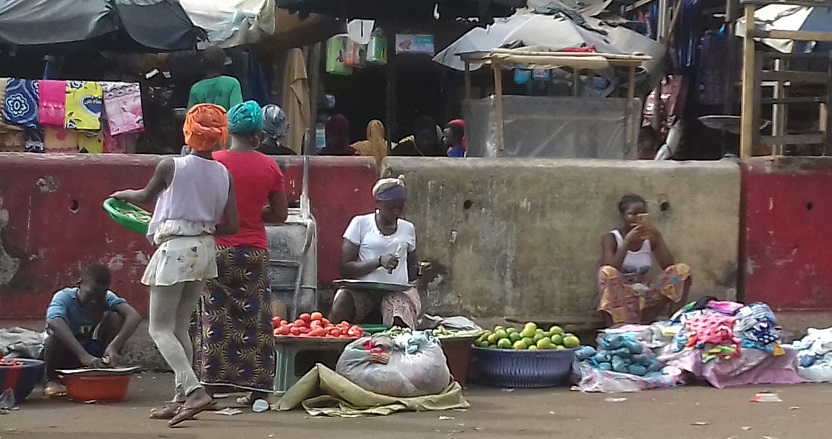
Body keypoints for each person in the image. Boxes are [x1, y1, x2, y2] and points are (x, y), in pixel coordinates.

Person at [111, 104, 239, 427]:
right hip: (204, 250)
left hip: (175, 249)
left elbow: (144, 197)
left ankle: (194, 391)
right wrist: (202, 226)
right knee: (180, 325)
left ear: (188, 131)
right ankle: (181, 397)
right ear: (220, 136)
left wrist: (122, 195)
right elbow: (232, 225)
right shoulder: (224, 174)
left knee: (159, 328)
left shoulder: (171, 165)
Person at [193, 101, 288, 408]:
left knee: (214, 316)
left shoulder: (213, 162)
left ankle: (208, 388)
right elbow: (280, 214)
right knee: (255, 319)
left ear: (228, 133)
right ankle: (259, 391)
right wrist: (253, 214)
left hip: (216, 249)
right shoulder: (270, 167)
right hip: (253, 251)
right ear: (258, 136)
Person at [329, 176, 423, 329]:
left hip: (397, 291)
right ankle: (334, 341)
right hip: (363, 291)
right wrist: (379, 261)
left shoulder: (408, 228)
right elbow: (345, 268)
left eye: (400, 208)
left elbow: (411, 268)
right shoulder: (361, 224)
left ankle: (398, 341)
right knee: (342, 301)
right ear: (378, 203)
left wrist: (419, 272)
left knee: (399, 311)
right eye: (391, 208)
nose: (396, 213)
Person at [42, 264, 142, 397]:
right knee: (55, 336)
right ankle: (50, 380)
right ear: (79, 284)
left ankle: (108, 365)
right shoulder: (64, 297)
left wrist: (114, 346)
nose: (94, 301)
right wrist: (82, 354)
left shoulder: (107, 297)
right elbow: (54, 321)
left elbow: (134, 316)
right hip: (65, 352)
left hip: (90, 349)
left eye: (100, 296)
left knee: (116, 316)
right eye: (90, 294)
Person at [597, 194, 691, 327]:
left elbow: (669, 267)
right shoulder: (612, 238)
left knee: (682, 272)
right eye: (632, 214)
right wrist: (627, 242)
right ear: (623, 216)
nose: (637, 218)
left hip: (647, 294)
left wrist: (658, 237)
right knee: (606, 272)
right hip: (622, 297)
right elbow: (609, 268)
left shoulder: (650, 238)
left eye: (642, 214)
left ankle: (674, 321)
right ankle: (616, 326)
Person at [187, 46, 244, 111]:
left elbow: (191, 114)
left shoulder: (196, 89)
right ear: (223, 65)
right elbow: (237, 113)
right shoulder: (232, 84)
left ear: (203, 64)